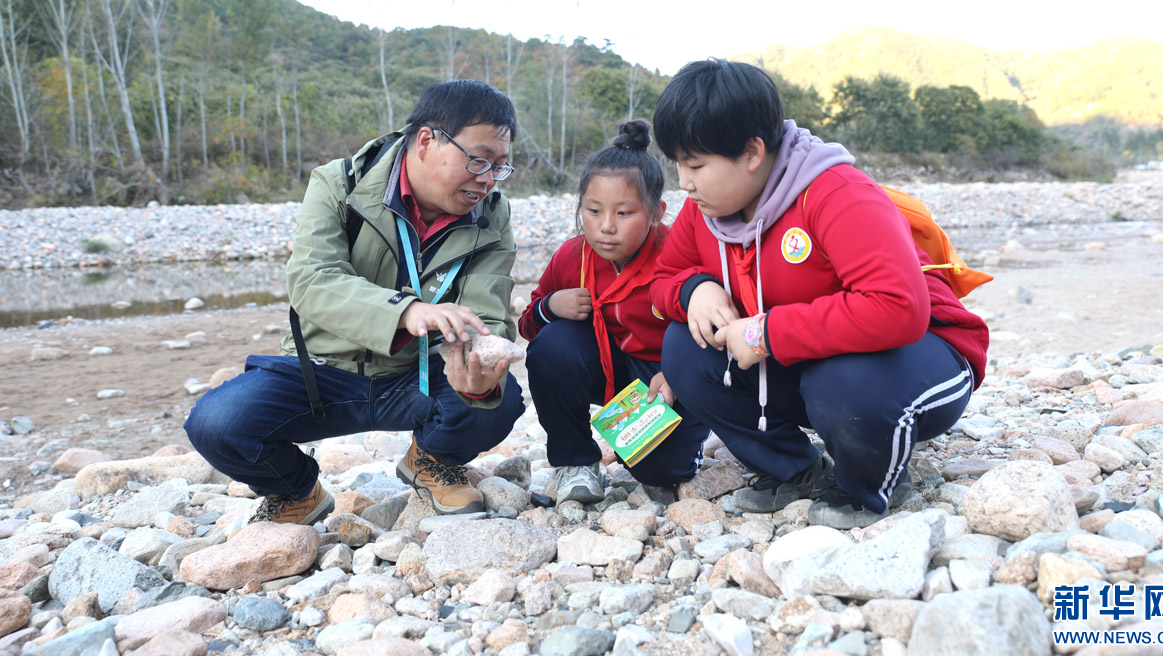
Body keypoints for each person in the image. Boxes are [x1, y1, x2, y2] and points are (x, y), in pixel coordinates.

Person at [649, 59, 989, 528]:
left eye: (695, 165)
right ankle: (793, 473)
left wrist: (768, 332)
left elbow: (900, 308)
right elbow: (661, 279)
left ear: (752, 152)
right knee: (685, 347)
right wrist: (694, 289)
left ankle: (867, 483)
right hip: (810, 364)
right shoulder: (704, 212)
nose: (684, 181)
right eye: (679, 164)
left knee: (843, 383)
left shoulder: (835, 194)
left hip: (923, 356)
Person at [185, 79, 525, 524]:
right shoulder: (340, 184)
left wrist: (483, 371)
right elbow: (312, 281)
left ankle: (431, 459)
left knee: (500, 400)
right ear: (427, 140)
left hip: (417, 376)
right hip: (322, 375)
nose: (486, 179)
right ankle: (297, 492)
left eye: (499, 166)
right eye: (478, 159)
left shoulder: (492, 213)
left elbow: (489, 311)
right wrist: (406, 312)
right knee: (217, 423)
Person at [519, 120, 710, 504]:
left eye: (624, 213)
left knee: (659, 472)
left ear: (656, 212)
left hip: (667, 376)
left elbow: (711, 329)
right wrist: (550, 306)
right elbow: (526, 325)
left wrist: (678, 375)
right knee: (552, 344)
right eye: (593, 210)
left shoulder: (678, 253)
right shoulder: (573, 257)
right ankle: (575, 462)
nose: (606, 227)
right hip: (609, 371)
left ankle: (691, 439)